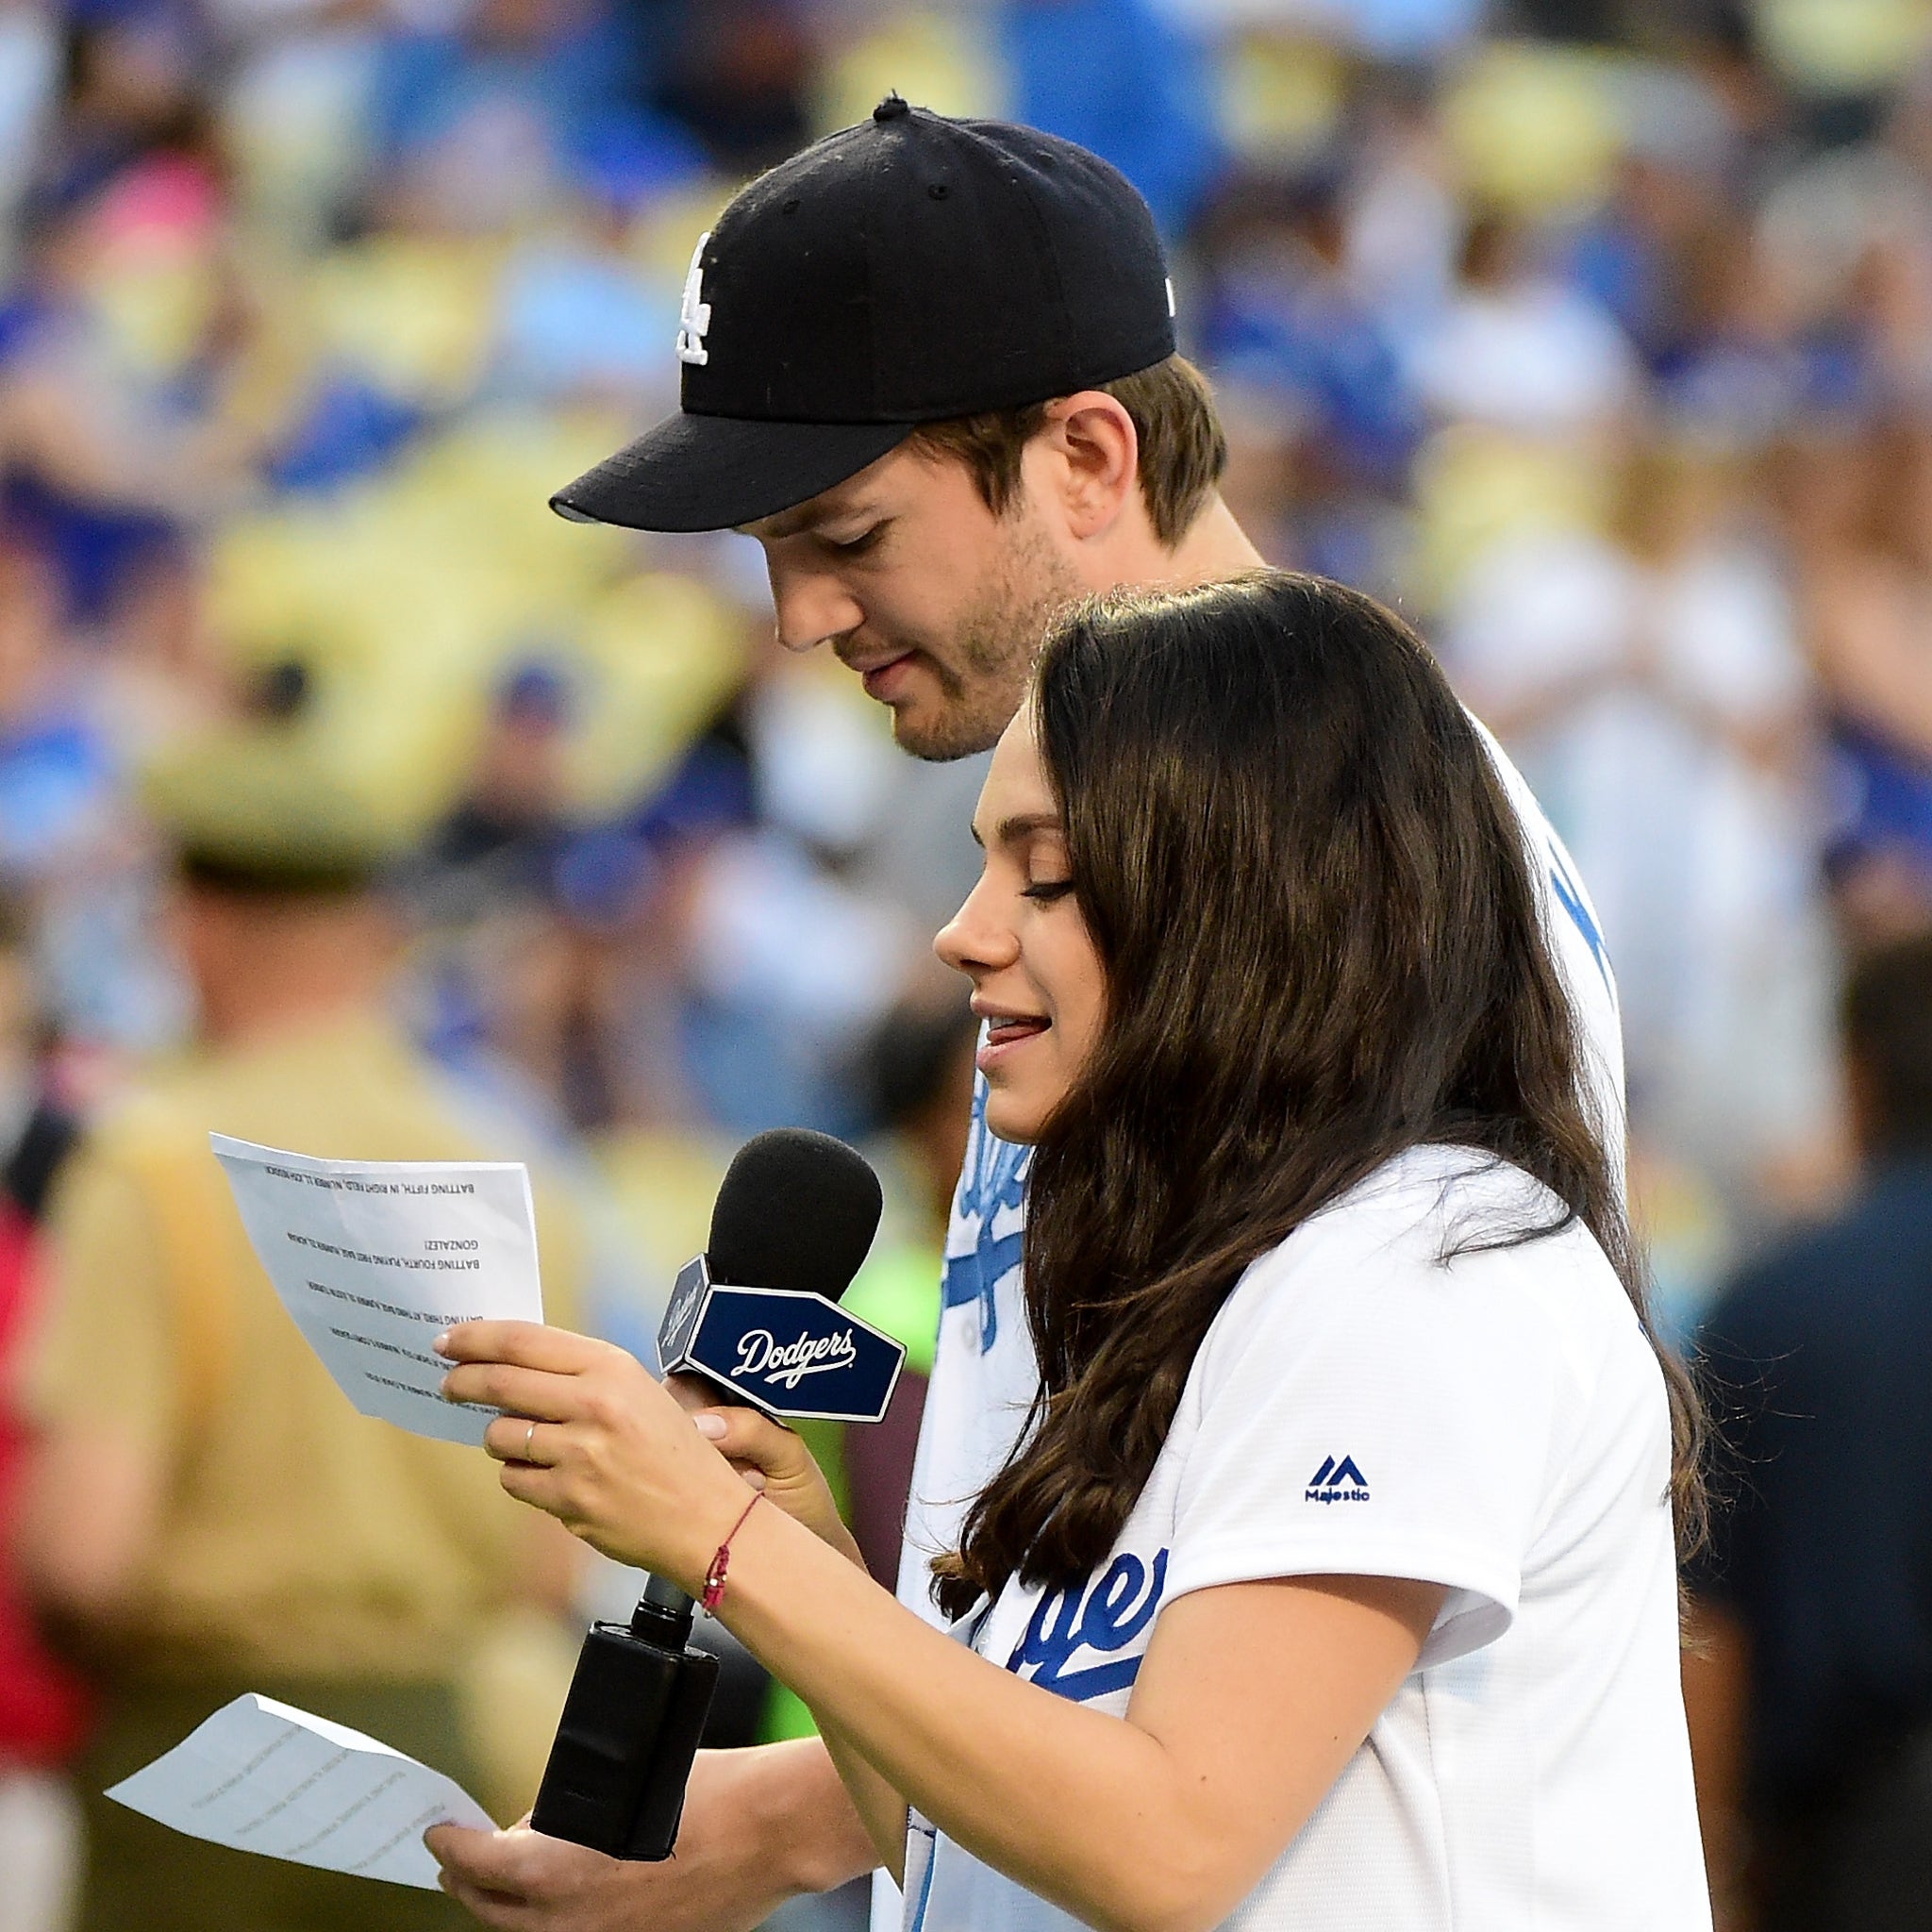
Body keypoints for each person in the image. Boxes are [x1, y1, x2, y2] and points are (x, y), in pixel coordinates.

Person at [428, 101, 1626, 1931]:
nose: (800, 614)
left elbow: (1231, 1768)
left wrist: (736, 1547)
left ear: (1082, 453)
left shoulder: (1405, 894)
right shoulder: (1080, 921)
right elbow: (1121, 1641)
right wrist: (785, 1795)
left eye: (844, 530)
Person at [10, 725, 586, 1932]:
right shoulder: (502, 1167)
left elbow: (83, 1553)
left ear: (196, 925)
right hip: (446, 1755)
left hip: (200, 1755)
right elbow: (549, 1560)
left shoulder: (153, 1164)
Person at [1685, 930, 1932, 1932]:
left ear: (1855, 1074)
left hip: (1845, 1852)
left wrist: (1705, 1872)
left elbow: (1708, 1632)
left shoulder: (1774, 1305)